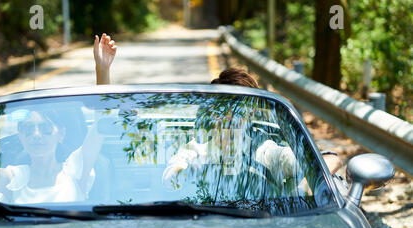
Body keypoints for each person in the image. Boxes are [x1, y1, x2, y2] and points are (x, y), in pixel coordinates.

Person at [92, 35, 341, 178]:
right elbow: (174, 174)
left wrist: (325, 166)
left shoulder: (266, 151)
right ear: (211, 115)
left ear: (249, 116)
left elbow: (319, 163)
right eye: (223, 111)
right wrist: (184, 170)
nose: (230, 119)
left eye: (239, 112)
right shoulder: (197, 150)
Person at [0, 108, 107, 204]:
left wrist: (102, 70)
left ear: (61, 134)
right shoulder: (15, 177)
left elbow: (101, 125)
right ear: (21, 136)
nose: (36, 135)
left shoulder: (74, 170)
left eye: (45, 128)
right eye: (28, 129)